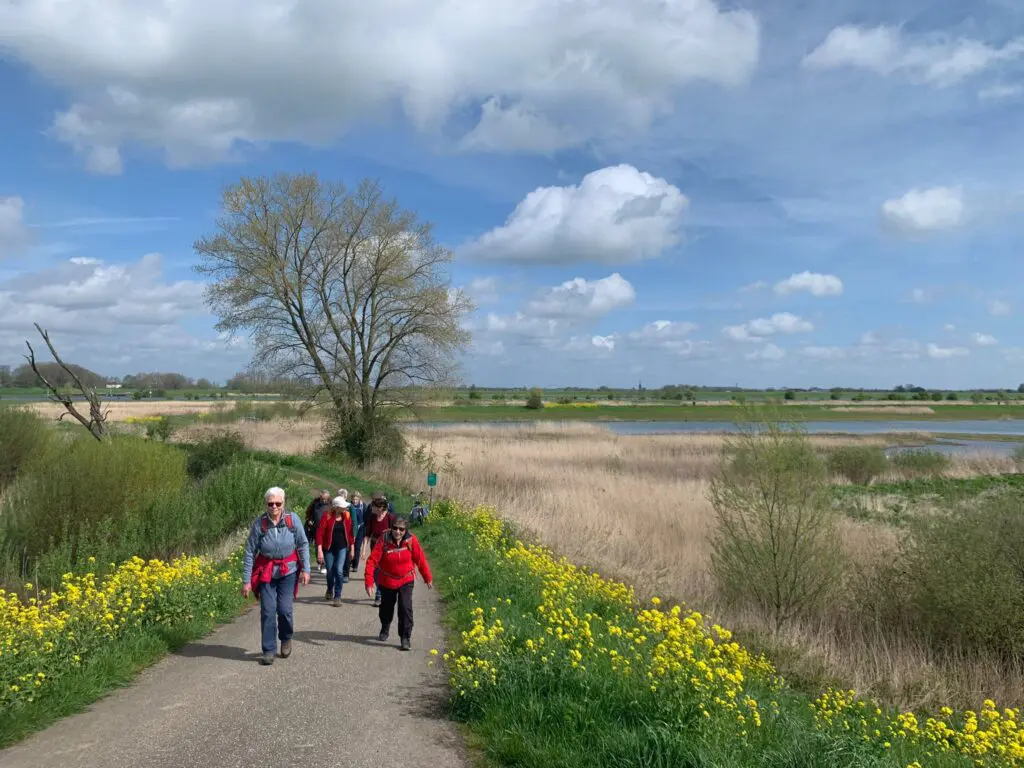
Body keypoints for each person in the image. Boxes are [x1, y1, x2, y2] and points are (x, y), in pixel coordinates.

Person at [242, 487, 311, 665]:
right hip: (266, 572)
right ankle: (269, 650)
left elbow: (303, 544)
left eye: (277, 503)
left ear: (283, 504)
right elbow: (250, 551)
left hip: (288, 571)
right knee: (268, 611)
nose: (274, 506)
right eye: (270, 503)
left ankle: (286, 637)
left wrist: (306, 570)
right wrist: (246, 581)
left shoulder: (292, 520)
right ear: (266, 504)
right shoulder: (260, 524)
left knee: (285, 610)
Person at [364, 516, 432, 651]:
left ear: (405, 530)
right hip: (387, 580)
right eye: (395, 528)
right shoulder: (384, 539)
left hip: (406, 580)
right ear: (391, 528)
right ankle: (385, 626)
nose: (397, 531)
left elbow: (420, 559)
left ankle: (405, 637)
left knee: (405, 609)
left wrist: (427, 578)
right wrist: (369, 582)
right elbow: (372, 561)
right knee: (386, 608)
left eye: (401, 529)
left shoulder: (411, 540)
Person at [316, 496, 354, 606]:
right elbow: (320, 533)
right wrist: (319, 550)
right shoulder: (327, 516)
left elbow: (350, 534)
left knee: (338, 570)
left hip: (342, 548)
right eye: (343, 507)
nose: (345, 509)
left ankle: (337, 596)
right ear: (336, 508)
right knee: (330, 571)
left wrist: (351, 548)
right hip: (328, 549)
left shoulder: (346, 516)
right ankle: (329, 589)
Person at [363, 492, 396, 607]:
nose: (371, 508)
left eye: (373, 507)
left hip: (388, 548)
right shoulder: (372, 517)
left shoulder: (390, 518)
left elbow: (397, 534)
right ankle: (380, 592)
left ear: (380, 508)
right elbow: (367, 534)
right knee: (376, 572)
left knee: (385, 571)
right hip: (375, 547)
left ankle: (379, 595)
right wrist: (363, 550)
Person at [305, 490, 332, 573]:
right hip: (317, 528)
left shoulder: (331, 503)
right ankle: (320, 562)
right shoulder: (315, 503)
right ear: (320, 497)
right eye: (323, 499)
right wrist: (309, 520)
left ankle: (325, 564)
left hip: (328, 529)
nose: (324, 501)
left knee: (326, 546)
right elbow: (308, 512)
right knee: (318, 546)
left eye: (326, 499)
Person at [346, 491, 366, 576]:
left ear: (359, 499)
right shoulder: (348, 506)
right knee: (350, 546)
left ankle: (355, 565)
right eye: (353, 499)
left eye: (356, 499)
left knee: (357, 547)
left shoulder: (363, 506)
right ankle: (349, 561)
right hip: (351, 529)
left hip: (360, 528)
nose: (354, 501)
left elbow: (365, 517)